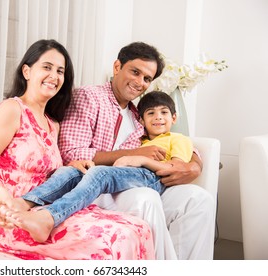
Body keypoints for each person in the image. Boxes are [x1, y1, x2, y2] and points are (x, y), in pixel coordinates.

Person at [0, 39, 155, 260]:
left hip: (45, 207)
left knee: (138, 228)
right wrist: (0, 194)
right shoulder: (12, 109)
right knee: (116, 237)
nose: (54, 76)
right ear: (27, 71)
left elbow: (48, 174)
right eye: (46, 67)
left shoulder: (52, 123)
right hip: (9, 216)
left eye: (60, 71)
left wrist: (73, 165)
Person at [56, 41, 216, 260]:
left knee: (199, 199)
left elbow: (172, 141)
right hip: (96, 188)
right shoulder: (89, 97)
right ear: (117, 67)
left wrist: (194, 166)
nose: (140, 82)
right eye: (135, 72)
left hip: (134, 184)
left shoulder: (137, 115)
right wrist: (134, 155)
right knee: (146, 198)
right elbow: (71, 152)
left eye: (147, 78)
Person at [3, 91, 194, 244]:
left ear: (174, 118)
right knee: (73, 171)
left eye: (164, 113)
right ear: (141, 121)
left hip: (152, 177)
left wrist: (140, 160)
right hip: (131, 174)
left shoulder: (178, 139)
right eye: (151, 113)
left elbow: (174, 167)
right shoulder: (139, 138)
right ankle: (24, 202)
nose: (158, 118)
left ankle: (49, 218)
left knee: (100, 173)